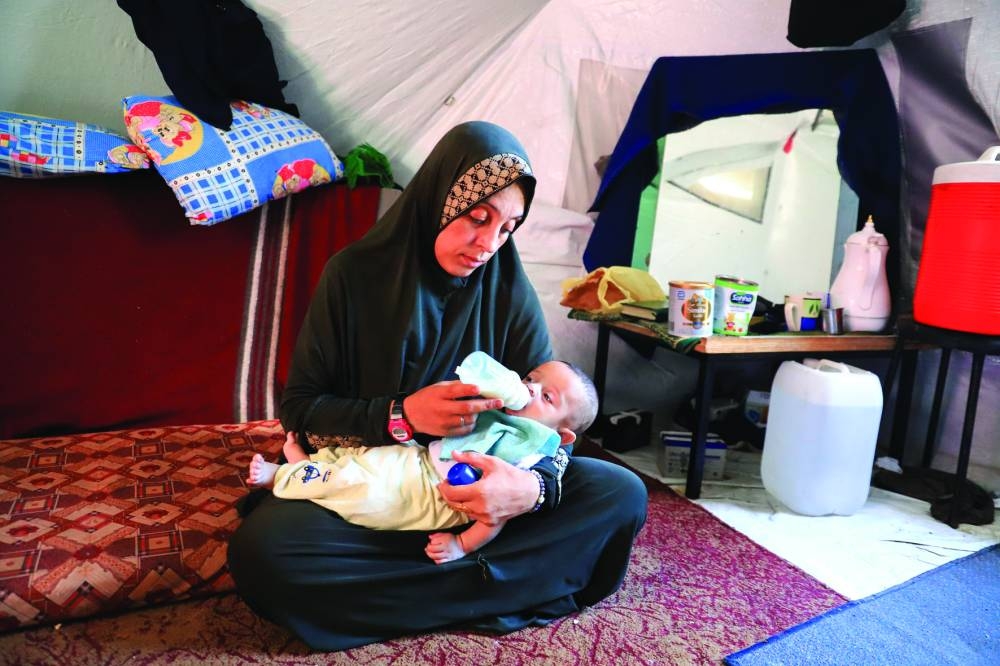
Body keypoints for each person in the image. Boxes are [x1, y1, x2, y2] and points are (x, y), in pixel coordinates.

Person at [226, 120, 647, 652]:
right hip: (369, 491)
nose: (487, 244)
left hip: (470, 507)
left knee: (621, 492)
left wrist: (530, 491)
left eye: (507, 227)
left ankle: (418, 586)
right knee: (264, 552)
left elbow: (552, 420)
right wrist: (399, 416)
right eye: (477, 218)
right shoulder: (353, 277)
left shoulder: (505, 289)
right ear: (440, 200)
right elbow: (302, 409)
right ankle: (488, 585)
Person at [245, 359, 598, 564]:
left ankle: (286, 476)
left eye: (547, 397)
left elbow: (496, 515)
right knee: (362, 457)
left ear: (562, 436)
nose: (530, 389)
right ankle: (307, 464)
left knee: (360, 488)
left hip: (429, 497)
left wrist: (462, 544)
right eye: (531, 379)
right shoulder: (497, 408)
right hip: (416, 459)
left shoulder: (531, 454)